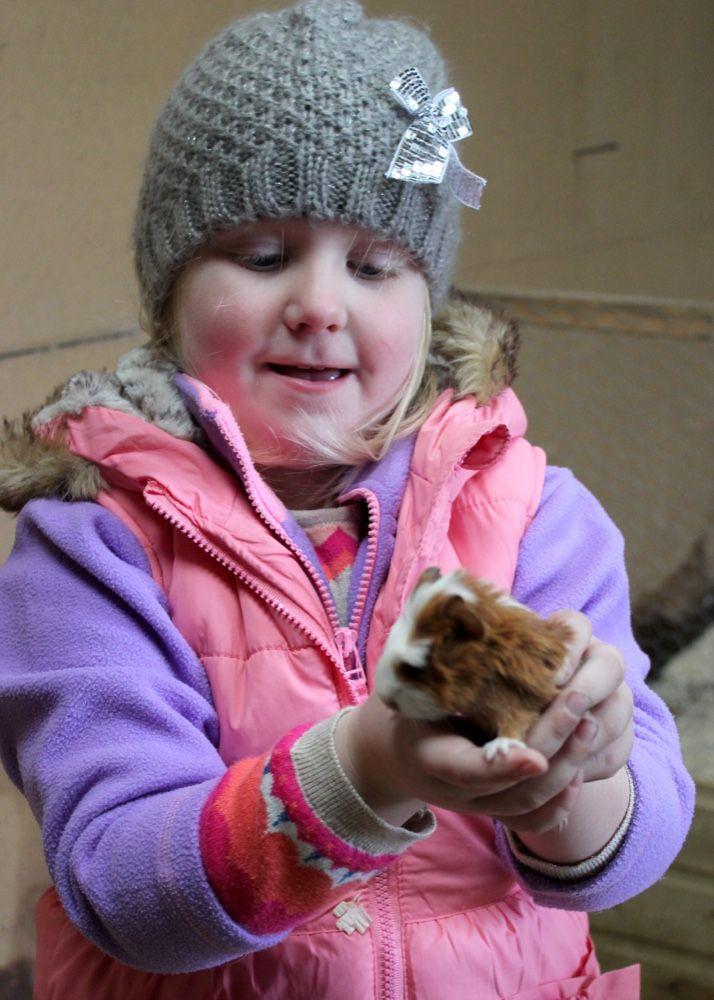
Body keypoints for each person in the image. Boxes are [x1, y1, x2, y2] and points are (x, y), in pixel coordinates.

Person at [0, 1, 694, 997]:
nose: (321, 305)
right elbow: (119, 883)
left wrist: (574, 777)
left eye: (373, 266)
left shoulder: (535, 515)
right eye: (264, 256)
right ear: (169, 294)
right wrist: (363, 771)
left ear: (428, 299)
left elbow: (632, 847)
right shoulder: (95, 544)